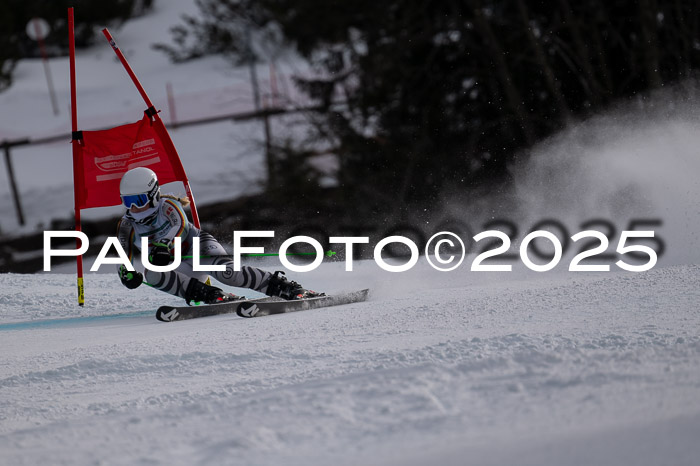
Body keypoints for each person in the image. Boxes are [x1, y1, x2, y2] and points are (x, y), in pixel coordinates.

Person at [116, 167, 321, 304]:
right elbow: (122, 254)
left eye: (139, 200)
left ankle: (282, 287)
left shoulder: (168, 206)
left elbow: (177, 226)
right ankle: (211, 295)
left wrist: (163, 245)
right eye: (128, 202)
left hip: (199, 249)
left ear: (153, 195)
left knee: (229, 275)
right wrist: (126, 274)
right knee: (152, 274)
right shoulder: (126, 224)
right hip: (179, 266)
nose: (133, 208)